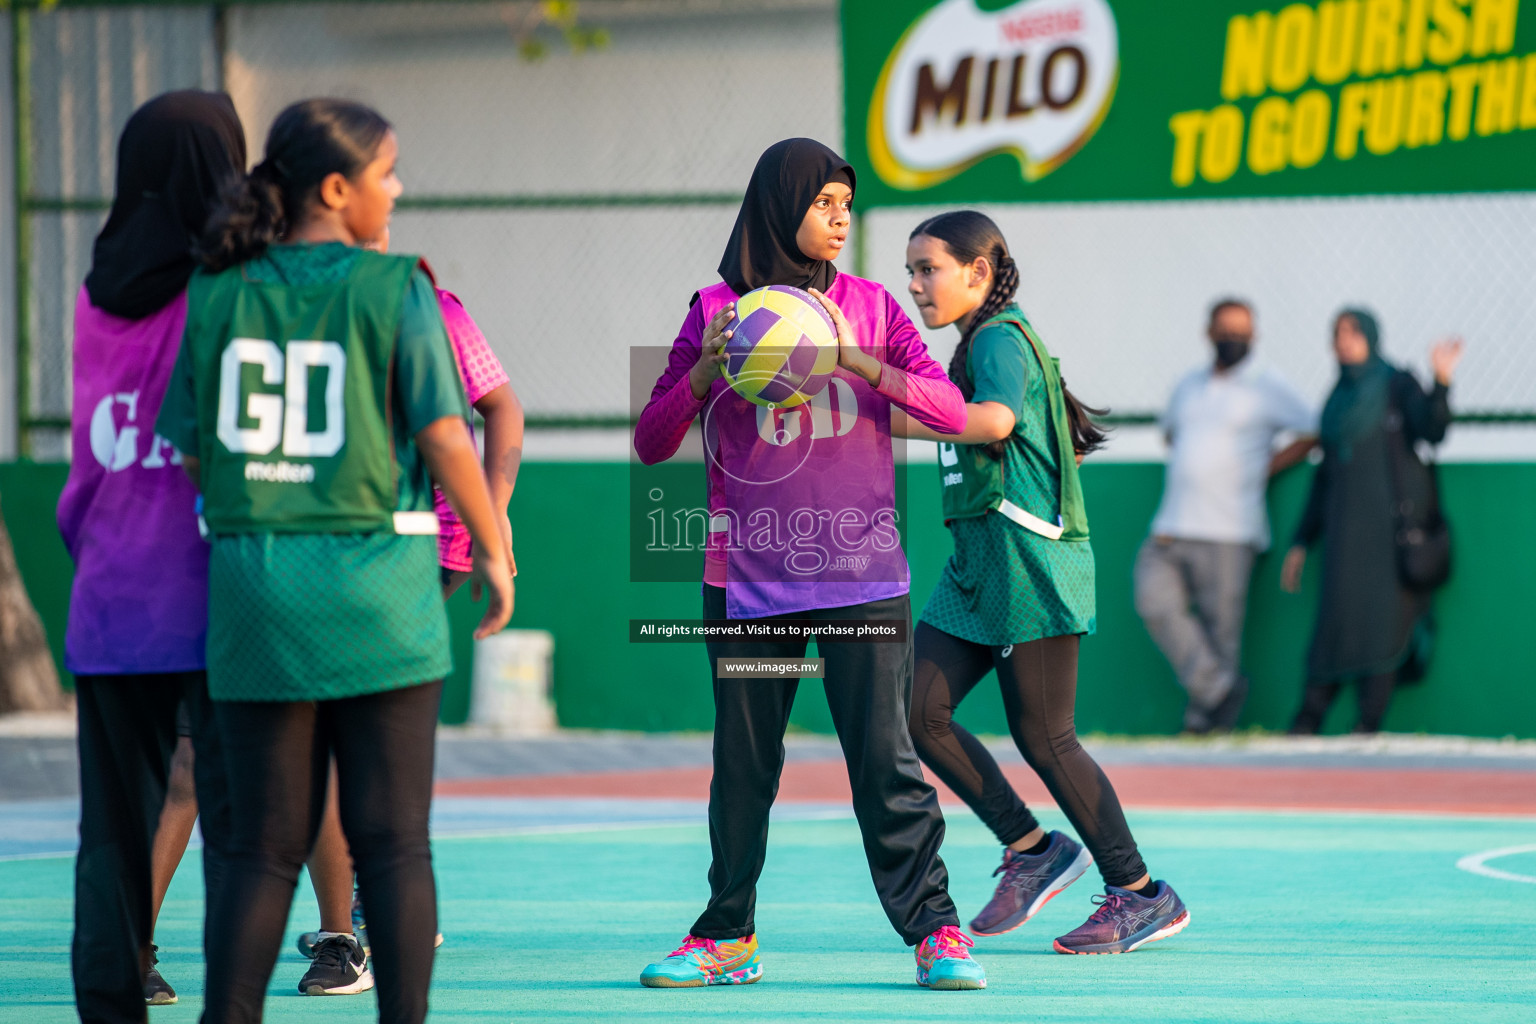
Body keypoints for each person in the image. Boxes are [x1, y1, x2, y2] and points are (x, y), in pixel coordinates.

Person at [155, 97, 514, 1023]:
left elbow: (194, 448)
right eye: (387, 173)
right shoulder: (396, 287)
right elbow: (446, 432)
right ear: (336, 188)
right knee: (394, 844)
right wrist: (495, 546)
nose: (396, 189)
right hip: (377, 595)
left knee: (257, 849)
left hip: (254, 593)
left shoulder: (216, 290)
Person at [632, 139, 986, 990]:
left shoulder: (870, 308)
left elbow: (949, 409)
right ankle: (727, 937)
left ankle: (936, 933)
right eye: (823, 202)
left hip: (863, 582)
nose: (839, 219)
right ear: (776, 204)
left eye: (846, 205)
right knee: (744, 765)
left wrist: (870, 366)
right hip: (747, 586)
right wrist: (706, 374)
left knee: (884, 760)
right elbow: (650, 444)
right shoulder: (715, 307)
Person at [896, 210, 1189, 955]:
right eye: (911, 272)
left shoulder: (998, 337)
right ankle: (1032, 850)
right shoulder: (985, 341)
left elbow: (993, 422)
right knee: (919, 710)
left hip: (1028, 562)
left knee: (1046, 736)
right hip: (979, 564)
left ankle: (1141, 894)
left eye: (928, 269)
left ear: (979, 272)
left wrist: (885, 412)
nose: (917, 285)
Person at [55, 89, 246, 1021]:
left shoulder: (96, 289)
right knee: (244, 832)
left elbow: (94, 447)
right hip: (213, 590)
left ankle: (111, 1002)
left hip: (107, 591)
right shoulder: (230, 287)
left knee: (112, 837)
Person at [293, 227, 523, 996]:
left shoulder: (427, 304)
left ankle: (356, 922)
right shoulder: (276, 304)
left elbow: (502, 412)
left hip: (419, 541)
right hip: (328, 543)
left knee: (349, 734)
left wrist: (491, 519)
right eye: (376, 181)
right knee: (349, 736)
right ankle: (372, 906)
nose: (388, 206)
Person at [1134, 299, 1317, 733]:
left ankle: (1206, 722)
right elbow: (1172, 436)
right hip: (1172, 525)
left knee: (1222, 634)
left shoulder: (1268, 385)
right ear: (1209, 332)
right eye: (1225, 329)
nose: (1233, 338)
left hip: (1231, 529)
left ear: (1253, 337)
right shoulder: (1189, 385)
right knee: (1152, 600)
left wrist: (1267, 465)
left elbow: (1313, 430)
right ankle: (1217, 692)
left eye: (1242, 332)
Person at [1281, 310, 1462, 734]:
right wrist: (1301, 540)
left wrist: (1441, 381)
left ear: (1372, 337)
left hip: (1389, 537)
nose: (1345, 341)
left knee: (1383, 623)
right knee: (1335, 623)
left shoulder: (1397, 384)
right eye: (1338, 333)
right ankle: (1308, 720)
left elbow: (1432, 430)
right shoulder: (1337, 398)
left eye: (1354, 332)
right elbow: (1326, 476)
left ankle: (1369, 722)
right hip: (1344, 537)